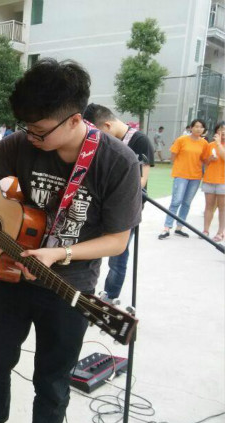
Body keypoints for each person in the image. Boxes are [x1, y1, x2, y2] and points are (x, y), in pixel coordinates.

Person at [0, 58, 142, 423]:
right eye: (26, 127)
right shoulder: (23, 143)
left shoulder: (119, 163)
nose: (30, 137)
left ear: (74, 120)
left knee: (52, 382)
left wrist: (60, 254)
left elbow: (118, 241)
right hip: (10, 275)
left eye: (39, 130)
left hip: (70, 287)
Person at [83, 103, 153, 303]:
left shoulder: (140, 141)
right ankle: (85, 289)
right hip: (100, 204)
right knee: (90, 246)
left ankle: (110, 294)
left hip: (125, 207)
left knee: (117, 254)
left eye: (98, 133)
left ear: (107, 125)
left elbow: (141, 181)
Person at [159, 119, 210, 240]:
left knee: (186, 203)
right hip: (181, 175)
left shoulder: (204, 143)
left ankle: (179, 227)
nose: (198, 129)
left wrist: (211, 159)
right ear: (191, 128)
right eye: (196, 126)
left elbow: (204, 160)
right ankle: (167, 227)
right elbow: (173, 156)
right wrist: (180, 167)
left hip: (195, 177)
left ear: (204, 129)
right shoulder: (182, 140)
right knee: (176, 201)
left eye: (201, 127)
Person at [201, 121, 225, 241]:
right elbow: (205, 162)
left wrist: (219, 144)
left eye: (224, 129)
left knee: (222, 208)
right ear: (216, 131)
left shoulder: (217, 144)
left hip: (223, 181)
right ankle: (205, 230)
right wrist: (210, 158)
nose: (223, 132)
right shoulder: (210, 145)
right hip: (210, 179)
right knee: (208, 206)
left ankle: (220, 232)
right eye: (220, 129)